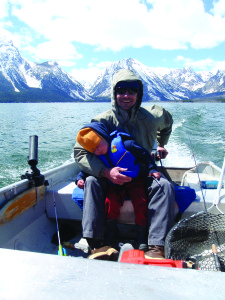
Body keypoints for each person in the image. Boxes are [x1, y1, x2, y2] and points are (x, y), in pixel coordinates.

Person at [74, 69, 175, 260]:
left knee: (164, 187)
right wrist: (105, 172)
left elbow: (168, 121)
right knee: (92, 183)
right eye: (121, 91)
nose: (126, 96)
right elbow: (80, 152)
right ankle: (97, 245)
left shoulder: (152, 117)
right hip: (109, 177)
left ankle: (155, 248)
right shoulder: (101, 122)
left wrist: (161, 144)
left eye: (132, 90)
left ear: (139, 94)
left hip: (142, 173)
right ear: (114, 94)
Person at [75, 121, 161, 252]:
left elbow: (144, 155)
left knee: (141, 202)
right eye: (93, 150)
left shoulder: (126, 143)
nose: (97, 150)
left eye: (98, 145)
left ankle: (142, 237)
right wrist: (80, 178)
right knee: (110, 202)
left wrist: (151, 169)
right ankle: (109, 234)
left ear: (104, 136)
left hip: (134, 180)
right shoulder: (97, 156)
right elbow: (87, 169)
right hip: (114, 184)